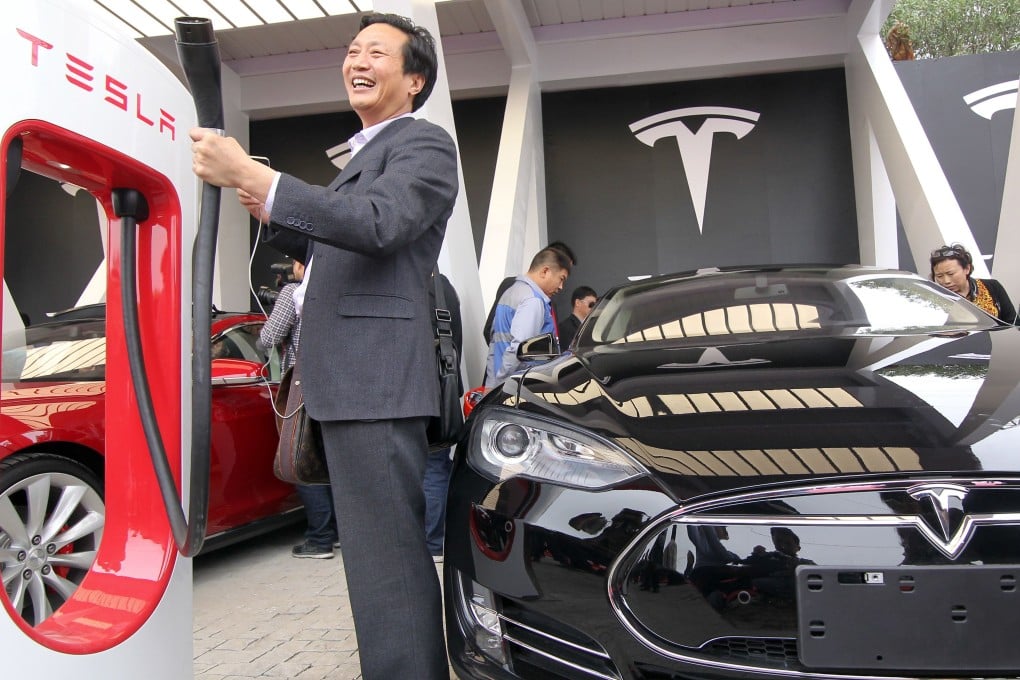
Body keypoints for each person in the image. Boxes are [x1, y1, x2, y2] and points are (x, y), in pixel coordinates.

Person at [190, 13, 458, 679]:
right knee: (375, 562)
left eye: (377, 51)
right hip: (353, 380)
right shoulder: (365, 155)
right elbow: (336, 244)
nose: (357, 59)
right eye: (352, 49)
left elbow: (378, 224)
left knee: (388, 564)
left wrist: (262, 183)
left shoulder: (424, 144)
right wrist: (274, 213)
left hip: (375, 380)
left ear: (415, 77)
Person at [257, 259, 340, 559]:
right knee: (332, 457)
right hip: (337, 382)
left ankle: (320, 538)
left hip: (301, 385)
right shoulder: (338, 289)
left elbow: (268, 338)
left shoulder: (294, 292)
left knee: (301, 453)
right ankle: (340, 531)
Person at [484, 247, 571, 387]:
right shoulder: (533, 300)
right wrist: (501, 385)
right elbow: (519, 350)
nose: (561, 287)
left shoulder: (510, 292)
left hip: (502, 385)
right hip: (518, 387)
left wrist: (491, 385)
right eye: (561, 279)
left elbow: (494, 344)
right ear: (545, 271)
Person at [424, 271, 461, 562]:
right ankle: (442, 535)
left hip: (422, 389)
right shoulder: (442, 285)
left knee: (431, 467)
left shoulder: (414, 281)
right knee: (437, 464)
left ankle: (434, 541)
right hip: (444, 386)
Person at [482, 240, 576, 345]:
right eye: (561, 277)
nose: (561, 286)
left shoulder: (550, 302)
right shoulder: (512, 286)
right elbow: (491, 330)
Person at [930, 243, 1017, 324]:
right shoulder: (933, 299)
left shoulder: (992, 286)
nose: (946, 281)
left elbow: (1013, 323)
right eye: (939, 276)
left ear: (967, 268)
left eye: (951, 274)